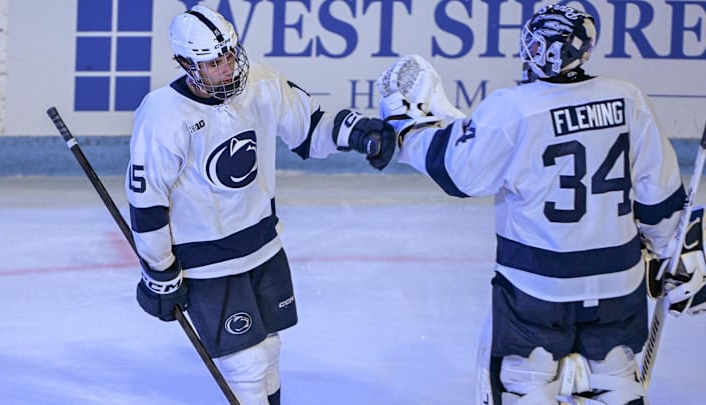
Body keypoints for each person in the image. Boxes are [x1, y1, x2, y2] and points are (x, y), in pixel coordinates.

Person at [377, 4, 706, 404]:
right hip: (618, 281)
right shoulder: (627, 98)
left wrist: (407, 130)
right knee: (617, 380)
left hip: (536, 284)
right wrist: (675, 253)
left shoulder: (513, 108)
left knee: (526, 381)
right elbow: (660, 197)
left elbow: (461, 173)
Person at [125, 5, 394, 404]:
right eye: (213, 62)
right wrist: (159, 270)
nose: (228, 67)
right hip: (208, 262)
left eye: (230, 54)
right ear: (185, 63)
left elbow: (310, 127)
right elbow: (146, 203)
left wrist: (358, 133)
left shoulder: (261, 84)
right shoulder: (163, 114)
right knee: (246, 366)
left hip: (263, 245)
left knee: (268, 352)